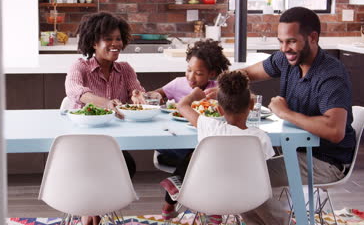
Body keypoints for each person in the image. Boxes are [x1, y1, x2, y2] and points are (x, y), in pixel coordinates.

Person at [229, 7, 356, 224]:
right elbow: (248, 73)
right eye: (280, 41)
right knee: (237, 172)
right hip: (295, 150)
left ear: (313, 37)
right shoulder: (288, 60)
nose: (284, 48)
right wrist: (222, 84)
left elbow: (335, 131)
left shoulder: (329, 76)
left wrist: (285, 113)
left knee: (244, 178)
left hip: (326, 160)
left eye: (291, 41)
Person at [160, 70, 275, 222]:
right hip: (249, 198)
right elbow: (264, 173)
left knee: (193, 157)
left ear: (219, 109)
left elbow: (182, 106)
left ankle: (181, 183)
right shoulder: (260, 138)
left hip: (209, 196)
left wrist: (194, 96)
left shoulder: (210, 126)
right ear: (252, 105)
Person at [65, 12, 144, 225]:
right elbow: (76, 91)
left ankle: (91, 211)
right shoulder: (80, 67)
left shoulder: (125, 69)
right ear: (93, 42)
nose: (115, 43)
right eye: (108, 39)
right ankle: (93, 212)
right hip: (81, 144)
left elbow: (136, 91)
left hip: (113, 145)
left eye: (118, 38)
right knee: (96, 166)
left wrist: (138, 95)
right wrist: (106, 102)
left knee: (127, 164)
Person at [149, 39, 231, 166]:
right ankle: (185, 165)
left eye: (198, 73)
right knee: (193, 154)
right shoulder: (178, 83)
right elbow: (155, 94)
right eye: (189, 70)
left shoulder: (217, 89)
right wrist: (154, 95)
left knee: (205, 151)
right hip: (177, 137)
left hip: (203, 138)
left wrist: (222, 95)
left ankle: (181, 172)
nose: (191, 77)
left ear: (212, 73)